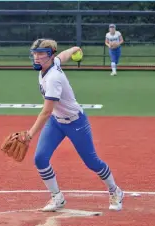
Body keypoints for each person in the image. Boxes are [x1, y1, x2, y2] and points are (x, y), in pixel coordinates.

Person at [27, 38, 124, 212]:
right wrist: (73, 49)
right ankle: (57, 198)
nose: (37, 57)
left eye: (41, 54)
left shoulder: (54, 78)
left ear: (50, 55)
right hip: (56, 122)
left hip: (75, 122)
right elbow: (63, 56)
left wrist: (29, 135)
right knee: (40, 158)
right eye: (35, 54)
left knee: (92, 162)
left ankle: (115, 190)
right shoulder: (51, 64)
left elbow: (46, 111)